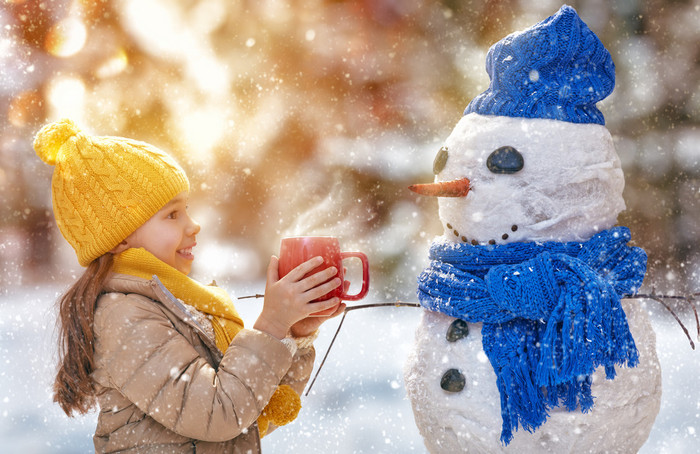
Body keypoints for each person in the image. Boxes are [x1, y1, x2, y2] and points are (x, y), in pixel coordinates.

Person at [34, 118, 346, 453]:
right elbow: (220, 413)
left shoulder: (178, 306)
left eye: (187, 210)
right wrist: (270, 326)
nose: (193, 225)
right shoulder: (125, 318)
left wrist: (293, 335)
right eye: (172, 215)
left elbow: (248, 413)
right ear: (118, 239)